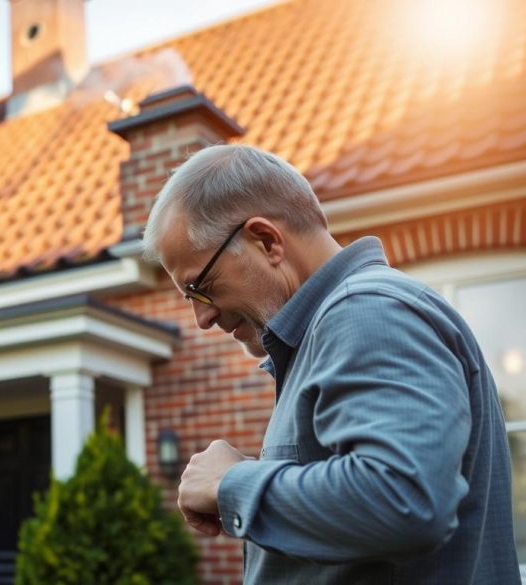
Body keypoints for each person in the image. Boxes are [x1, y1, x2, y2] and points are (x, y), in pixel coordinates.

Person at [141, 144, 520, 584]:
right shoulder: (338, 327)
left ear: (266, 241)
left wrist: (234, 483)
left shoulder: (366, 313)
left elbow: (405, 499)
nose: (202, 318)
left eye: (200, 287)